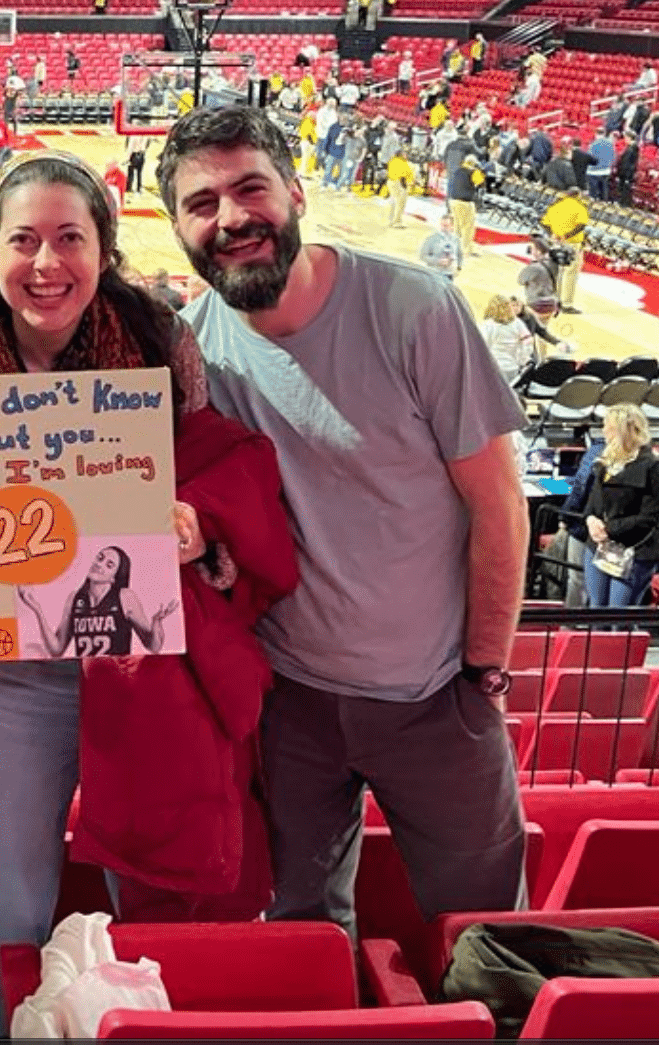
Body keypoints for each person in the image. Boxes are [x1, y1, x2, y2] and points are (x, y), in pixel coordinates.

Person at [0, 151, 294, 1035]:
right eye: (23, 239)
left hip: (144, 676)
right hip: (0, 685)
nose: (46, 262)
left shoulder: (163, 345)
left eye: (70, 238)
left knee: (150, 921)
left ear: (105, 249)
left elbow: (215, 482)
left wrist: (195, 525)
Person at [156, 104, 530, 941]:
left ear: (294, 192)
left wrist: (485, 673)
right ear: (176, 227)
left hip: (437, 697)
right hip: (287, 701)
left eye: (250, 189)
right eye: (202, 203)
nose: (232, 218)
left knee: (483, 934)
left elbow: (500, 506)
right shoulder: (193, 351)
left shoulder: (414, 310)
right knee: (300, 931)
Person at [17, 547, 178, 658]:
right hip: (88, 674)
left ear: (114, 577)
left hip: (118, 676)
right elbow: (56, 650)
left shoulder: (125, 597)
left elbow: (154, 646)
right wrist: (37, 609)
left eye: (109, 565)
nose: (99, 564)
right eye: (100, 558)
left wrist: (157, 621)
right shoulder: (74, 598)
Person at [581, 404, 659, 608]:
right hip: (598, 546)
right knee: (596, 611)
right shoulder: (604, 460)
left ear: (622, 430)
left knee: (619, 619)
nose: (603, 431)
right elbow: (592, 501)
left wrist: (608, 529)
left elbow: (649, 518)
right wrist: (590, 520)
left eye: (607, 426)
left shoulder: (651, 465)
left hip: (635, 550)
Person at [540, 188, 589, 313]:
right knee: (570, 273)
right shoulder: (579, 207)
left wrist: (553, 234)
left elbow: (544, 223)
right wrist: (567, 235)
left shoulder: (556, 205)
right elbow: (582, 225)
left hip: (556, 241)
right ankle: (566, 303)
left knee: (557, 271)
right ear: (577, 195)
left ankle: (554, 300)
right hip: (572, 243)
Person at [477, 294, 533, 386]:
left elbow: (481, 348)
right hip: (512, 369)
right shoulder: (518, 323)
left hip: (493, 368)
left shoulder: (487, 325)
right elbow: (528, 344)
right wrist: (521, 360)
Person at [419, 213, 460, 280]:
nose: (443, 228)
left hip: (449, 274)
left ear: (452, 226)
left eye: (446, 226)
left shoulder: (455, 240)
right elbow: (422, 256)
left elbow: (459, 255)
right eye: (441, 225)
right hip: (433, 273)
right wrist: (437, 261)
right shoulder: (431, 238)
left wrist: (454, 262)